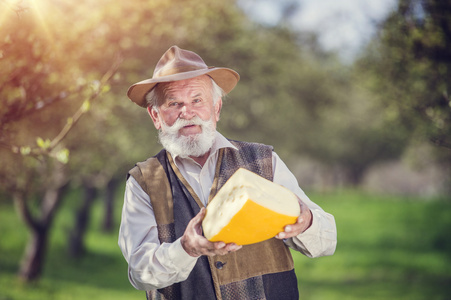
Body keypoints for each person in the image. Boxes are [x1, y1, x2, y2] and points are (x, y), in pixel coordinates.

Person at [118, 45, 337, 300]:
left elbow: (326, 241)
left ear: (217, 108)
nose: (186, 113)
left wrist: (306, 221)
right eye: (174, 103)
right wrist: (186, 248)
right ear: (155, 116)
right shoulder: (143, 182)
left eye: (197, 100)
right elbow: (140, 272)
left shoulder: (264, 161)